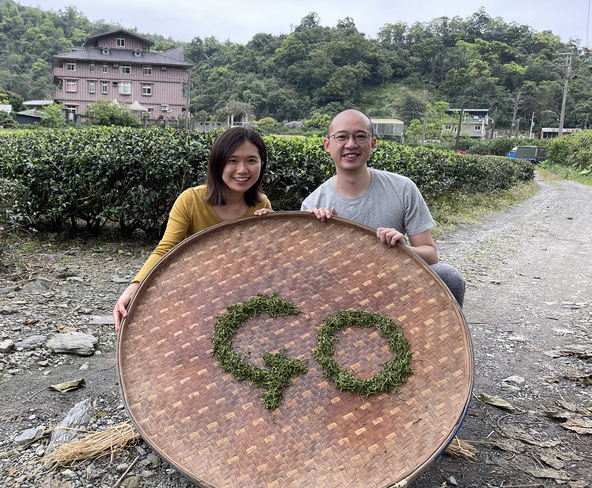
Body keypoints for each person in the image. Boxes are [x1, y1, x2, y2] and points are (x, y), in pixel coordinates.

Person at [302, 109, 466, 307]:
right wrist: (316, 232)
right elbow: (308, 271)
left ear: (372, 144)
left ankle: (449, 338)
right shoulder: (314, 204)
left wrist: (403, 249)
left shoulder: (403, 188)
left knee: (448, 276)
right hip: (339, 292)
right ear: (327, 145)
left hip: (395, 285)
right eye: (342, 137)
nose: (351, 144)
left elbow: (430, 254)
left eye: (360, 136)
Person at [113, 127, 272, 331]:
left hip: (238, 295)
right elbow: (165, 250)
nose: (242, 170)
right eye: (232, 161)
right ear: (217, 163)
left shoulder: (261, 204)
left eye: (251, 160)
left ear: (261, 164)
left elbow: (261, 262)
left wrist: (268, 234)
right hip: (191, 293)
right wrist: (133, 288)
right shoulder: (190, 200)